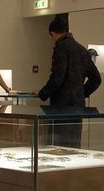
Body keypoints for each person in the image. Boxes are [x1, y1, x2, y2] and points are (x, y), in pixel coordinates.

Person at [37, 18, 101, 148]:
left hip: (61, 105)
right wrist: (81, 93)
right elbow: (96, 79)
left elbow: (58, 76)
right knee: (73, 144)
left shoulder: (60, 47)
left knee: (56, 145)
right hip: (77, 105)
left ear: (53, 33)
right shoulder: (81, 49)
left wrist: (42, 93)